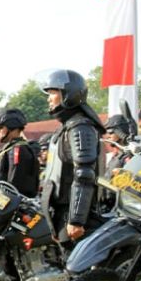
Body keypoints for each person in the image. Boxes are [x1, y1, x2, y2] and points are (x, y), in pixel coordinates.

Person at [42, 71, 105, 249]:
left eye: (53, 92)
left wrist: (76, 219)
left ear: (68, 94)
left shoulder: (80, 128)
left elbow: (84, 175)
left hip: (75, 218)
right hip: (62, 214)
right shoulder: (66, 128)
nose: (49, 98)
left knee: (77, 273)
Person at [0, 107, 39, 281]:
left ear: (10, 128)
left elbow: (11, 186)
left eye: (0, 127)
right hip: (8, 212)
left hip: (16, 214)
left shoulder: (18, 150)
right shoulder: (10, 149)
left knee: (13, 262)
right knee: (9, 261)